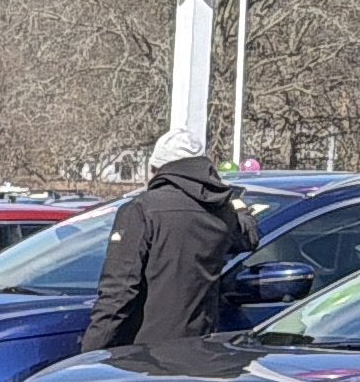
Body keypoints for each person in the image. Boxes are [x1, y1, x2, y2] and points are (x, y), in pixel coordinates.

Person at [81, 132, 255, 351]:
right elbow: (248, 238)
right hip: (201, 344)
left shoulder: (142, 209)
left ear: (157, 169)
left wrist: (90, 353)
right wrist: (240, 209)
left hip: (144, 350)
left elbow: (119, 291)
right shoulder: (222, 211)